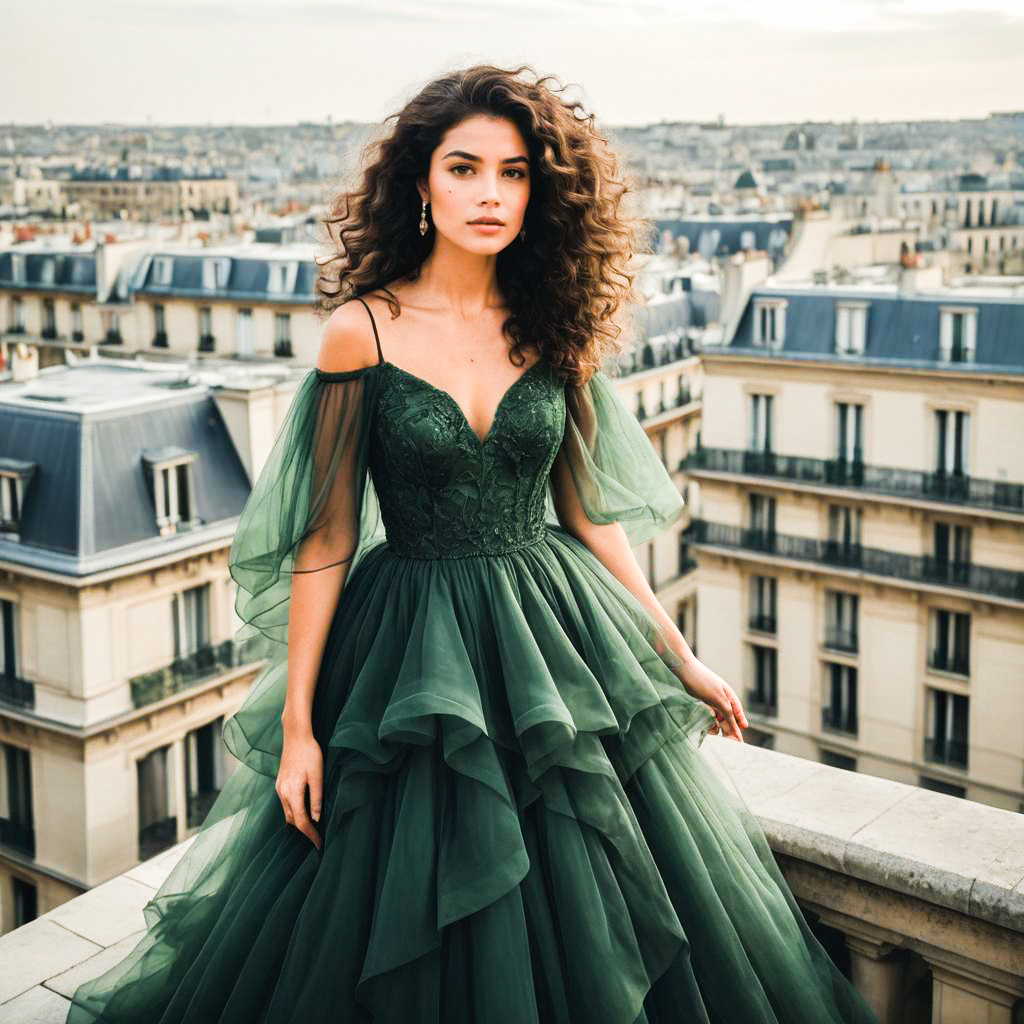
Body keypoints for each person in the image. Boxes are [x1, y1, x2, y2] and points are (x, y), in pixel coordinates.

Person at [67, 64, 880, 1024]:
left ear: (542, 191)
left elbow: (591, 518)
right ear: (420, 183)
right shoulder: (357, 334)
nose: (491, 193)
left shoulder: (558, 331)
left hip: (556, 645)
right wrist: (298, 732)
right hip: (409, 652)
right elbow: (325, 538)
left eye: (515, 172)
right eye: (465, 168)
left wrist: (681, 654)